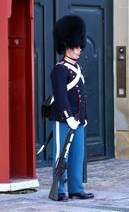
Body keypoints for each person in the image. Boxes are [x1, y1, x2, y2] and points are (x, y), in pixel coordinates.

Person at [49, 14, 94, 202]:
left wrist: (82, 117)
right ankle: (58, 190)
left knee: (77, 156)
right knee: (61, 156)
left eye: (80, 45)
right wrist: (68, 117)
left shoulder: (76, 68)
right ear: (67, 45)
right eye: (77, 46)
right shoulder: (60, 69)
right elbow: (60, 96)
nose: (80, 49)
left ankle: (76, 188)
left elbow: (81, 96)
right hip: (63, 119)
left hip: (78, 121)